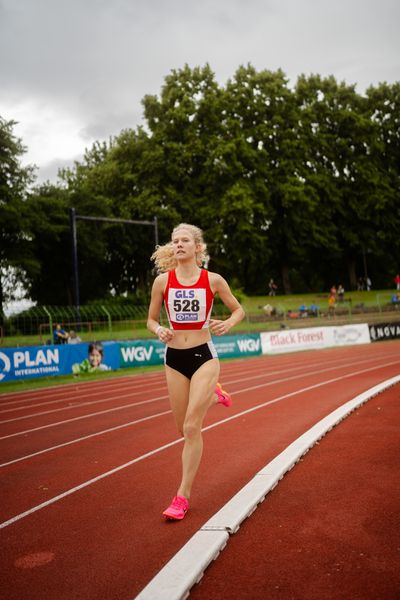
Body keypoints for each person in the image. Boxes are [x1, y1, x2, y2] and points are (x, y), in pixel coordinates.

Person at [147, 223, 245, 521]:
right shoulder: (162, 282)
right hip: (174, 357)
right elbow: (150, 320)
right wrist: (160, 329)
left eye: (185, 240)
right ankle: (215, 396)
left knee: (192, 427)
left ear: (197, 247)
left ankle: (182, 496)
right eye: (175, 241)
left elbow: (238, 310)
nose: (178, 245)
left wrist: (228, 324)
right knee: (182, 430)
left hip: (204, 356)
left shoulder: (213, 280)